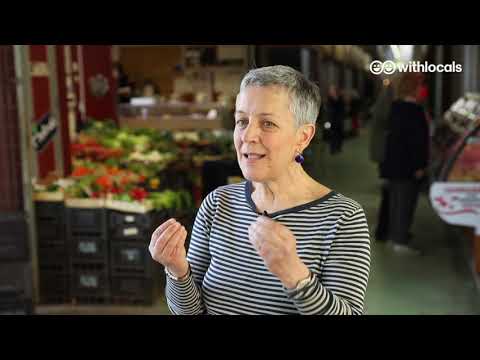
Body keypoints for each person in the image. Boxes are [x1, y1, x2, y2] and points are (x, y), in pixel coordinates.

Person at [149, 65, 371, 315]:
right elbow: (190, 312)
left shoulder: (343, 218)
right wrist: (178, 271)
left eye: (267, 123)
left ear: (303, 137)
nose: (248, 135)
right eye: (242, 121)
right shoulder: (217, 204)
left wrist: (295, 275)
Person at [380, 72, 429, 255]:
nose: (423, 90)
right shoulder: (414, 110)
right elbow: (416, 141)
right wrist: (419, 165)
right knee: (405, 203)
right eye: (420, 85)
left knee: (396, 202)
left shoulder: (396, 107)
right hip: (407, 166)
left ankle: (395, 237)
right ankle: (399, 241)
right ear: (413, 88)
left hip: (395, 164)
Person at [369, 80, 395, 242]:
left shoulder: (383, 100)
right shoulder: (387, 103)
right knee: (388, 190)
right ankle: (383, 229)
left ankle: (383, 228)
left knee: (387, 190)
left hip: (383, 151)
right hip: (385, 151)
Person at [326, 85, 345, 154]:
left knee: (339, 134)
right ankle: (332, 149)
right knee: (332, 134)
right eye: (330, 91)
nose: (331, 92)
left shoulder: (340, 99)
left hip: (339, 120)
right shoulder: (329, 100)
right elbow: (329, 110)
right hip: (332, 120)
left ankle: (338, 147)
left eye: (332, 91)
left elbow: (342, 109)